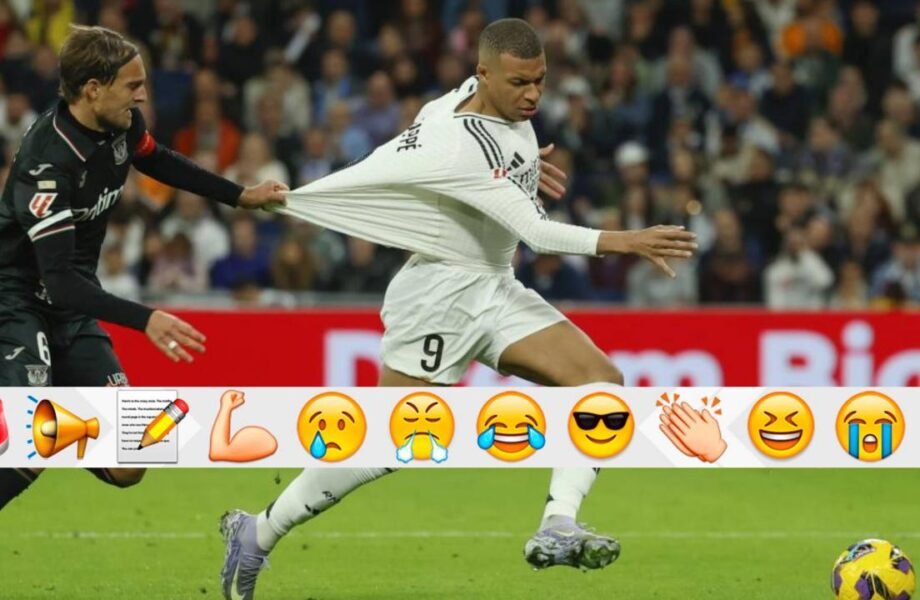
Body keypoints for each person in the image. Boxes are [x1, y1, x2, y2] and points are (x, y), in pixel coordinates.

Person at [219, 18, 696, 600]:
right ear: (484, 74)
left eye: (540, 80)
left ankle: (558, 524)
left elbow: (496, 168)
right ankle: (259, 531)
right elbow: (536, 233)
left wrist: (524, 165)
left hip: (494, 285)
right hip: (438, 297)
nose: (533, 95)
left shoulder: (466, 102)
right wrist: (626, 240)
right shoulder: (461, 146)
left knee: (600, 382)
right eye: (519, 83)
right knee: (388, 445)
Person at [0, 25, 286, 599]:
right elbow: (59, 281)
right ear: (92, 89)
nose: (143, 95)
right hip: (19, 302)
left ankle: (18, 392)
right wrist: (146, 318)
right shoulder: (47, 164)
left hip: (72, 308)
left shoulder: (121, 125)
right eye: (132, 85)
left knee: (130, 464)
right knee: (29, 452)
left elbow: (157, 160)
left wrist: (239, 195)